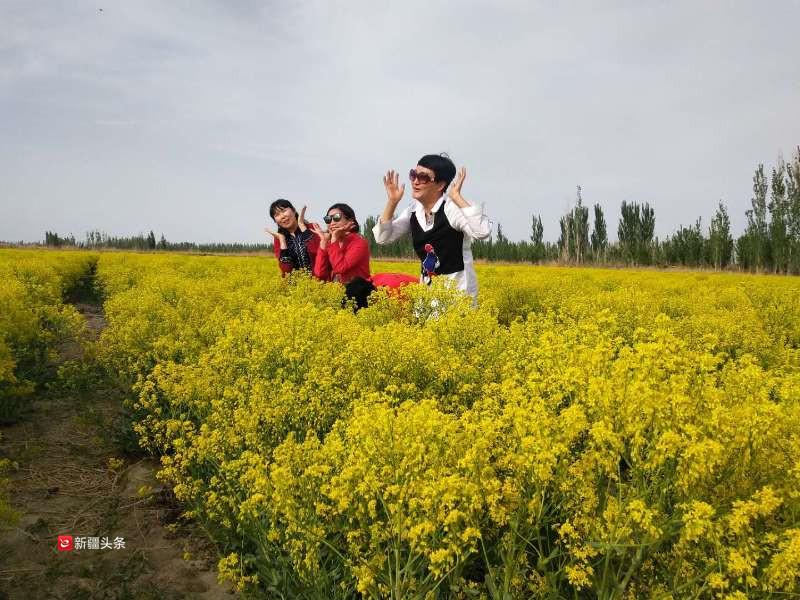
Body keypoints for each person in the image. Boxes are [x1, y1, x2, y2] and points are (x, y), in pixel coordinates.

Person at [373, 153, 491, 300]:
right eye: (413, 175)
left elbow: (482, 232)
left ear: (441, 185)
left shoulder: (451, 209)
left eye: (423, 177)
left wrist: (457, 198)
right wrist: (392, 202)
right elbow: (382, 237)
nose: (415, 181)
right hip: (427, 294)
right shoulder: (413, 211)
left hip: (458, 294)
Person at [310, 203, 371, 284]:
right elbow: (319, 274)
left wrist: (334, 238)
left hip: (356, 292)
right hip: (336, 292)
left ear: (350, 220)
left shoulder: (359, 243)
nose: (332, 223)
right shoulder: (332, 243)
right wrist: (323, 242)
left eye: (336, 217)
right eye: (328, 219)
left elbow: (340, 268)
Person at [265, 199, 319, 275]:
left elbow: (319, 254)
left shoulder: (312, 227)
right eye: (277, 215)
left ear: (293, 210)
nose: (282, 216)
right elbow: (286, 271)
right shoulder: (278, 239)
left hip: (319, 283)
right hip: (296, 285)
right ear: (275, 221)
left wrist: (303, 227)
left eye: (284, 211)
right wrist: (282, 241)